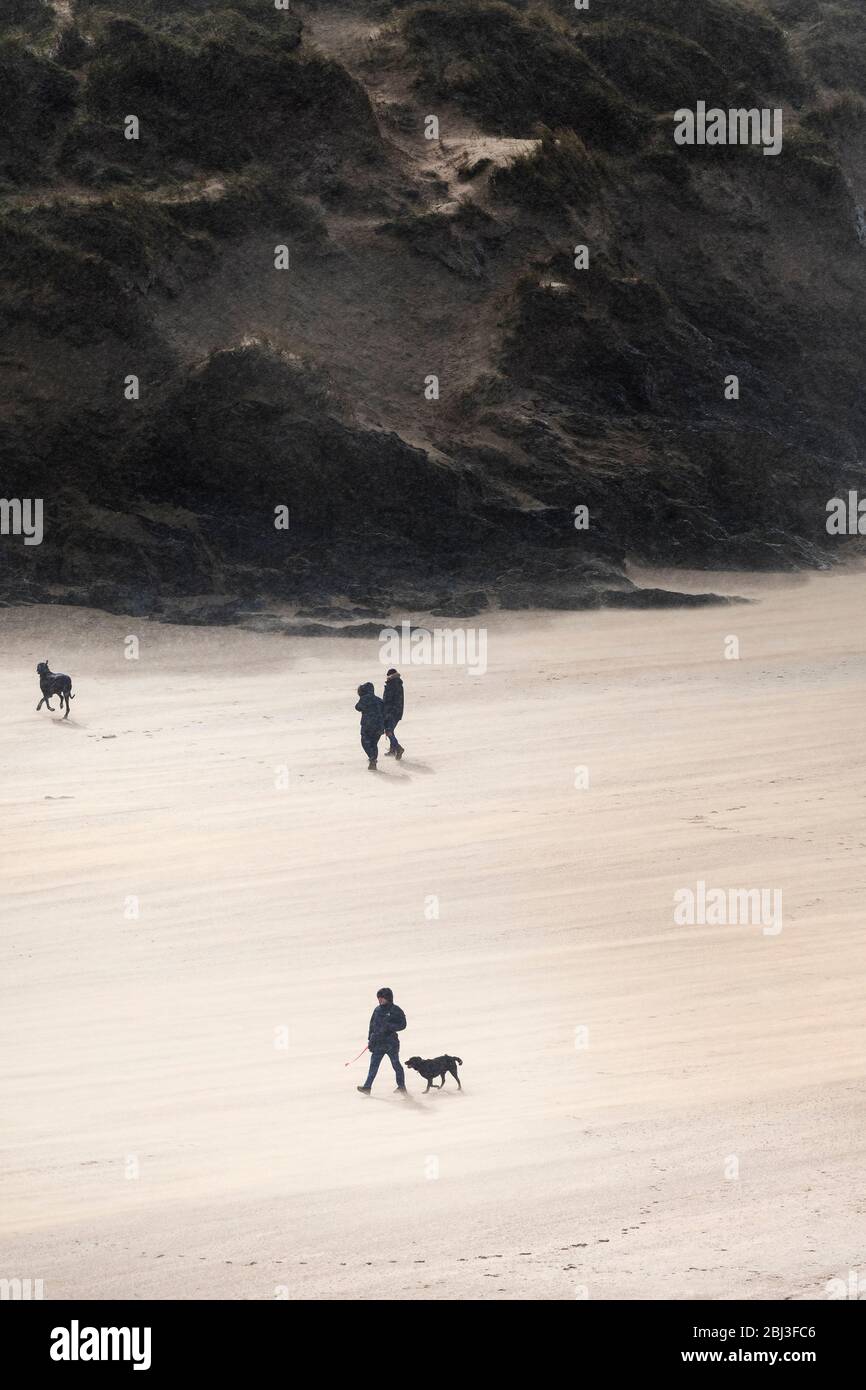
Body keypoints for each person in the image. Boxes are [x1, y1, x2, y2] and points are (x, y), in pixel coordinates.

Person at [357, 988, 407, 1094]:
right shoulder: (377, 1010)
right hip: (378, 1044)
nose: (380, 1000)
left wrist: (390, 1026)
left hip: (391, 1044)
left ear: (388, 998)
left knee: (396, 1064)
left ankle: (401, 1086)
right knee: (373, 1065)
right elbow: (372, 1025)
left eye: (382, 998)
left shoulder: (395, 1010)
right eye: (379, 998)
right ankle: (367, 1087)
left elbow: (403, 1024)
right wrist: (370, 1040)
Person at [355, 681, 385, 770]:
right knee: (374, 743)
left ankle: (372, 758)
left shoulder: (364, 698)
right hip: (378, 726)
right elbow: (384, 712)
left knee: (365, 742)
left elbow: (357, 707)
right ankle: (373, 759)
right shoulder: (379, 700)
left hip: (367, 725)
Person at [382, 668, 405, 759]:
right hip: (397, 711)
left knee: (388, 730)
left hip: (391, 712)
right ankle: (393, 749)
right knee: (390, 730)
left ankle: (398, 748)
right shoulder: (397, 683)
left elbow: (388, 700)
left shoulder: (392, 684)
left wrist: (386, 712)